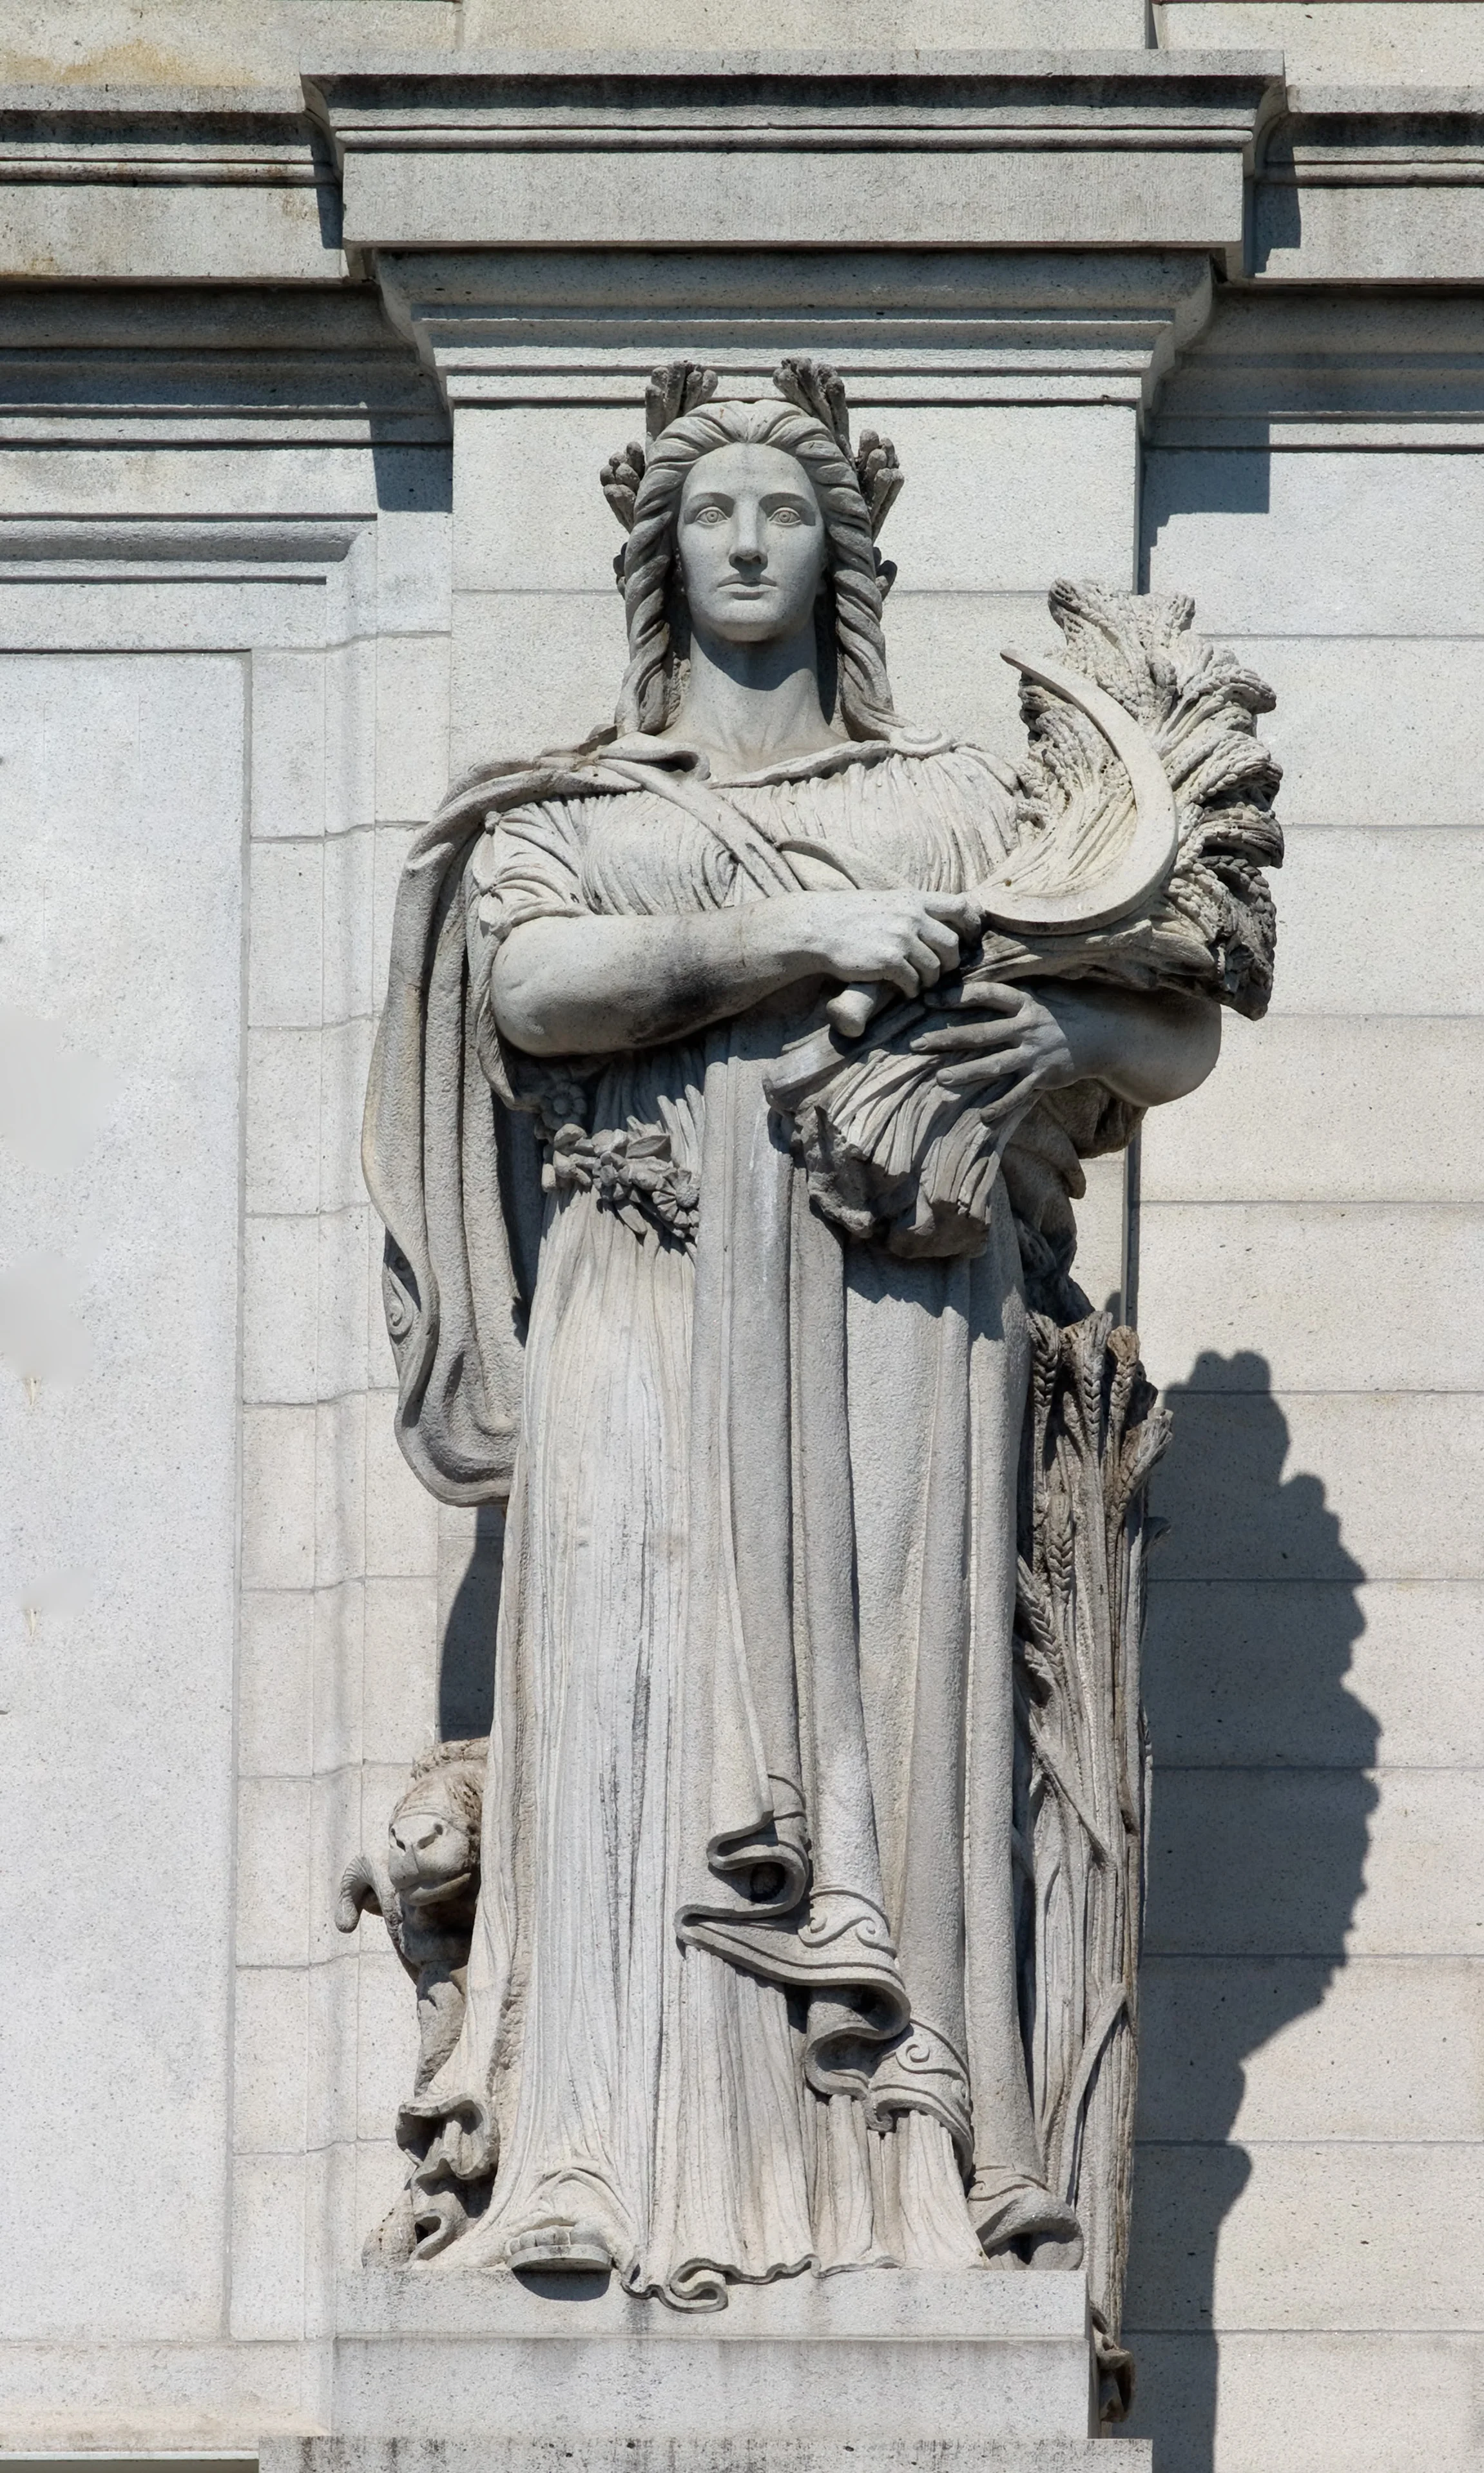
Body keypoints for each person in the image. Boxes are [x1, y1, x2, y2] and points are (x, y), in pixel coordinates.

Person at [363, 362, 1277, 2306]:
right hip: (648, 1302)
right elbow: (538, 988)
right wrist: (806, 943)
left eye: (785, 511)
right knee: (624, 1682)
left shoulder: (955, 798)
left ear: (841, 556)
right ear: (659, 558)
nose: (749, 542)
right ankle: (584, 2157)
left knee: (883, 1698)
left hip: (890, 1332)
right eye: (711, 514)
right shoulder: (575, 813)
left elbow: (1172, 1014)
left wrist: (1050, 1037)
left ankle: (897, 2183)